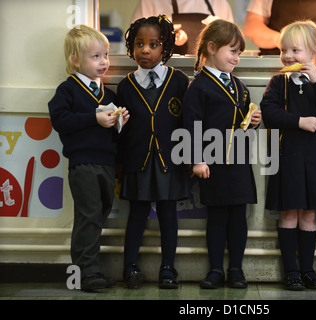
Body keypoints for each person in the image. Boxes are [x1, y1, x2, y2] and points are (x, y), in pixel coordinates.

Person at [48, 25, 129, 292]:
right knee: (89, 216)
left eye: (105, 55)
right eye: (96, 56)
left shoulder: (109, 95)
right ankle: (86, 272)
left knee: (100, 214)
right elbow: (61, 120)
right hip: (83, 164)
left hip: (106, 164)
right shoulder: (67, 90)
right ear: (75, 60)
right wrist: (94, 118)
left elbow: (113, 136)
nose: (104, 61)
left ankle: (90, 268)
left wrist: (120, 124)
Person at [260, 20, 316, 290]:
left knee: (309, 216)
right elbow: (269, 114)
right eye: (284, 50)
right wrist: (299, 121)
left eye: (296, 50)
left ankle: (308, 270)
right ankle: (291, 271)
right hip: (287, 161)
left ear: (313, 53)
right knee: (289, 215)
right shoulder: (279, 82)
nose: (288, 56)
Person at [183, 19, 261, 289]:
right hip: (213, 164)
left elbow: (242, 122)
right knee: (216, 218)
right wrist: (197, 159)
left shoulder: (239, 86)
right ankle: (216, 269)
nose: (237, 58)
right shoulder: (199, 87)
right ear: (212, 48)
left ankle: (236, 269)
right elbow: (191, 126)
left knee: (238, 217)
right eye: (233, 51)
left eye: (239, 53)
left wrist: (254, 121)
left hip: (238, 162)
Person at [116, 15, 190, 289]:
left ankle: (168, 268)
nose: (145, 50)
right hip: (138, 161)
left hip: (170, 160)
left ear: (166, 48)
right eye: (139, 44)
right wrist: (119, 165)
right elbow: (120, 132)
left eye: (153, 44)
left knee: (169, 214)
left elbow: (189, 121)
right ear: (131, 47)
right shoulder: (124, 86)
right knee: (137, 214)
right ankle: (130, 267)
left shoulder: (179, 81)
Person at [131, 0, 234, 54]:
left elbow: (232, 43)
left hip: (210, 78)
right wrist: (163, 35)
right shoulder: (152, 2)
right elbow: (133, 40)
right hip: (168, 77)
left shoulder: (219, 2)